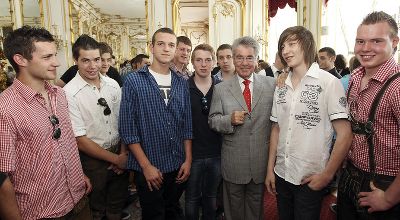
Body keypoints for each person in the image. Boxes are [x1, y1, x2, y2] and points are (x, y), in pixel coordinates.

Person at [0, 25, 92, 219]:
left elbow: (65, 143)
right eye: (47, 57)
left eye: (55, 55)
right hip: (42, 211)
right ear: (20, 60)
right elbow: (2, 177)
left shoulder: (59, 95)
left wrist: (76, 175)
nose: (57, 62)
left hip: (78, 199)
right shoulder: (5, 108)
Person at [265, 26, 352, 220]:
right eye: (282, 46)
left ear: (307, 45)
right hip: (282, 173)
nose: (285, 51)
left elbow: (345, 134)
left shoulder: (329, 83)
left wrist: (328, 175)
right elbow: (276, 128)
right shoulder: (281, 85)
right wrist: (270, 169)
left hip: (310, 177)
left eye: (292, 44)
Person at [119, 27, 192, 220]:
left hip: (177, 164)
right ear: (151, 47)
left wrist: (188, 159)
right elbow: (128, 129)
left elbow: (187, 125)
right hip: (149, 166)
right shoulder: (134, 81)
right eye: (161, 44)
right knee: (153, 215)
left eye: (171, 45)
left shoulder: (181, 82)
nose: (166, 49)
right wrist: (146, 166)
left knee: (173, 211)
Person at [337, 11, 400, 219]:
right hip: (350, 177)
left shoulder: (397, 86)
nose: (365, 48)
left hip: (384, 185)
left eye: (376, 41)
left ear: (395, 42)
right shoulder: (355, 77)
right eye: (360, 41)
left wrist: (390, 198)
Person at [208, 36, 275, 220]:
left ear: (256, 59)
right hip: (233, 163)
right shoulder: (221, 89)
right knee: (233, 211)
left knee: (256, 210)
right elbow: (213, 120)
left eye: (249, 57)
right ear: (233, 58)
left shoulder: (272, 84)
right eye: (239, 57)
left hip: (260, 162)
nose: (244, 63)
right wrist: (229, 119)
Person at [63, 34, 129, 220]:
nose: (93, 66)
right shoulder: (69, 93)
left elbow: (123, 121)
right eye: (85, 60)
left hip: (119, 151)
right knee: (96, 210)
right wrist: (116, 159)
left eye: (96, 60)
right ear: (75, 60)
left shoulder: (113, 84)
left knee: (116, 205)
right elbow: (80, 140)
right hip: (91, 160)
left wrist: (123, 153)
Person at [185, 44, 222, 220]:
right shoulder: (184, 88)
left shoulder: (222, 87)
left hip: (217, 153)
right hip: (193, 155)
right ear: (192, 62)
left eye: (208, 60)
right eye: (199, 60)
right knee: (191, 199)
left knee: (211, 197)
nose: (203, 64)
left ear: (214, 62)